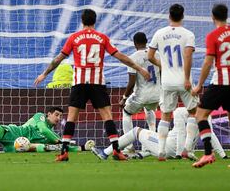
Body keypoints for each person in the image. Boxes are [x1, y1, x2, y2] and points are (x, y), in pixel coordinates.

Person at [34, 9, 150, 162]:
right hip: (97, 82)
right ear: (95, 21)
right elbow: (121, 57)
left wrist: (45, 73)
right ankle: (116, 150)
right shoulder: (102, 38)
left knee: (71, 118)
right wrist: (140, 68)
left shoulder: (74, 38)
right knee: (107, 117)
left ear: (82, 21)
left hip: (80, 83)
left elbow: (58, 58)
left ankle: (64, 152)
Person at [191, 4, 230, 168]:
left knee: (200, 115)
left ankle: (208, 154)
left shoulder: (213, 36)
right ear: (226, 16)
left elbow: (208, 62)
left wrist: (199, 85)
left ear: (212, 17)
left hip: (221, 82)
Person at [147, 3, 199, 161]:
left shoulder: (159, 33)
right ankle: (187, 149)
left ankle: (161, 152)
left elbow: (150, 56)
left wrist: (162, 65)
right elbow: (188, 56)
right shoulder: (188, 34)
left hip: (167, 81)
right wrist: (186, 77)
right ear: (183, 16)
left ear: (169, 16)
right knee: (193, 112)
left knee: (165, 115)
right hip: (184, 81)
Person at [91, 107, 227, 160]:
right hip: (179, 150)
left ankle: (105, 153)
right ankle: (141, 154)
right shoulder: (206, 116)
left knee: (136, 131)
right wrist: (223, 155)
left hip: (168, 148)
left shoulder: (180, 111)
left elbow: (180, 131)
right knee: (157, 135)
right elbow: (211, 136)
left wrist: (180, 154)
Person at [0, 107, 94, 152]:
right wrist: (59, 140)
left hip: (18, 146)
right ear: (48, 114)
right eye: (56, 115)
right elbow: (44, 129)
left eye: (60, 116)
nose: (58, 118)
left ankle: (48, 148)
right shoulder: (40, 117)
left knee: (39, 147)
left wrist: (82, 148)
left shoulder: (53, 134)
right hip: (13, 133)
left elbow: (64, 146)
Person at [119, 32, 160, 154]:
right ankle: (150, 146)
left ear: (134, 43)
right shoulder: (156, 54)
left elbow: (131, 82)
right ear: (147, 41)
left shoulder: (133, 58)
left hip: (141, 95)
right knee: (150, 110)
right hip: (157, 95)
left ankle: (129, 146)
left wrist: (124, 97)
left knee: (126, 112)